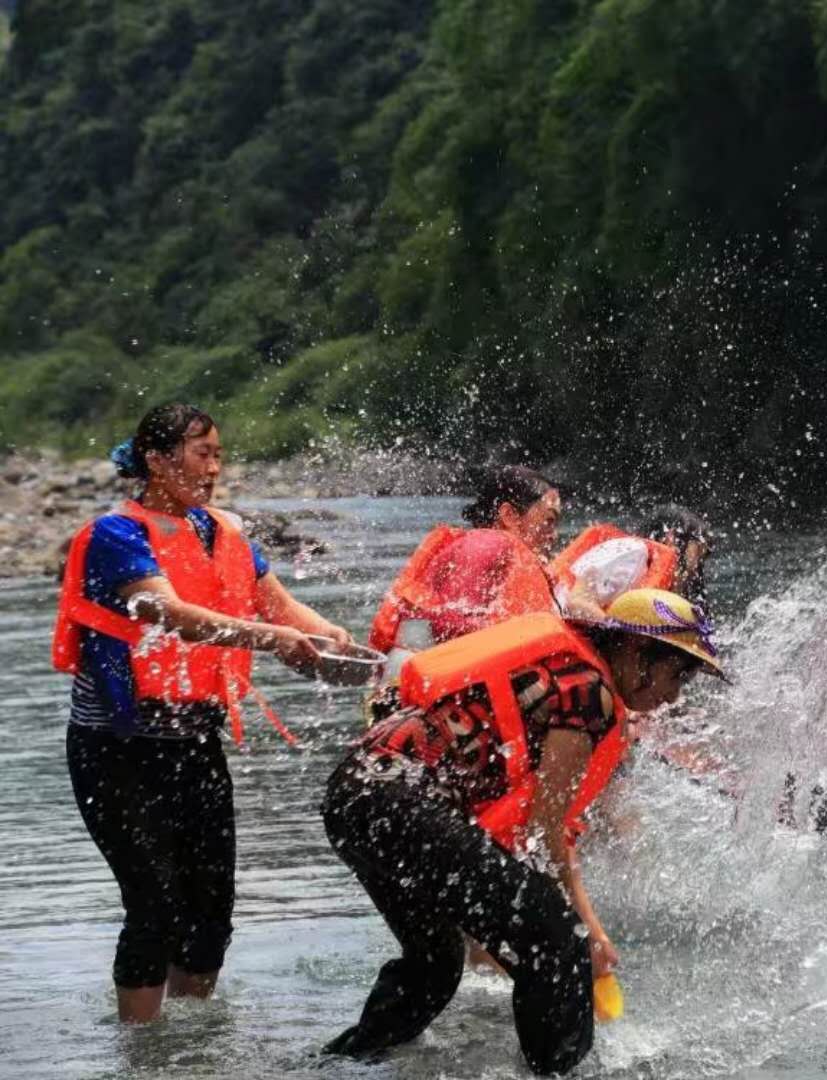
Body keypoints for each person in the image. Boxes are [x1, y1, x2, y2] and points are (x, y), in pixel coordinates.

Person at [322, 589, 723, 1073]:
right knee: (555, 945)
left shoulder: (567, 670)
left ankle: (344, 1064)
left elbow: (549, 833)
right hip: (399, 801)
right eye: (677, 675)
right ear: (638, 652)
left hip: (354, 794)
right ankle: (559, 1073)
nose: (674, 695)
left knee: (435, 964)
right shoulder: (588, 693)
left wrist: (589, 928)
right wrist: (576, 932)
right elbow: (543, 833)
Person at [52, 403, 352, 1024]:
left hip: (195, 742)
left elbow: (281, 608)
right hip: (117, 750)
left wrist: (333, 640)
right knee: (154, 903)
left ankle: (193, 1041)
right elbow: (170, 614)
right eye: (201, 453)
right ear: (158, 460)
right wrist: (273, 641)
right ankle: (140, 1049)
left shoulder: (225, 532)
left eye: (218, 454)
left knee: (212, 910)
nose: (214, 468)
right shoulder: (117, 535)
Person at [368, 465, 562, 654]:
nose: (554, 535)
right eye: (548, 521)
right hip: (422, 667)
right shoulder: (487, 543)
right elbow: (445, 626)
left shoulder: (495, 551)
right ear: (509, 516)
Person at [552, 504, 712, 619]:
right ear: (671, 537)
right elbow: (576, 604)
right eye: (699, 550)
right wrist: (620, 631)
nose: (697, 566)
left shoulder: (651, 570)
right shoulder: (634, 553)